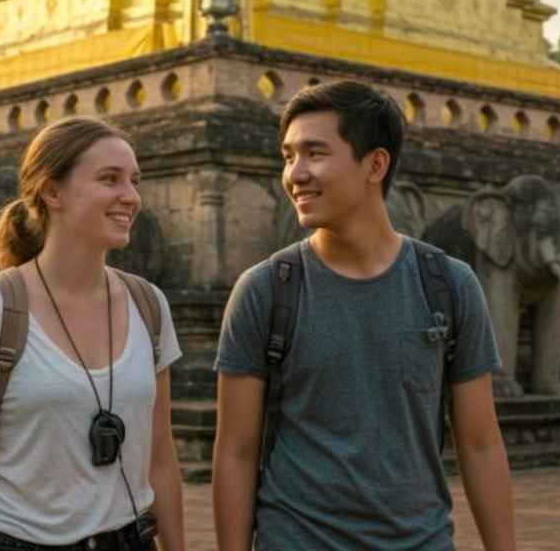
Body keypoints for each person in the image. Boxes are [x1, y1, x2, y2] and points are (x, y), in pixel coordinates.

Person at [212, 81, 516, 551]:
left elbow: (479, 443)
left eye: (315, 153)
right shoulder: (265, 291)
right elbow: (235, 449)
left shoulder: (449, 286)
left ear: (375, 164)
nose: (296, 174)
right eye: (288, 156)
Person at [0, 117, 185, 551]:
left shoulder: (149, 305)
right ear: (52, 193)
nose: (131, 197)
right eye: (109, 179)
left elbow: (160, 457)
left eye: (134, 181)